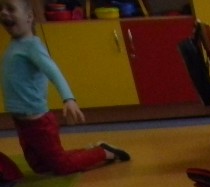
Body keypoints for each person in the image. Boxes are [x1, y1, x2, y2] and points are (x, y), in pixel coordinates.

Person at [1, 0, 130, 175]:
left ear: (29, 17)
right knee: (40, 167)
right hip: (21, 122)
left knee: (62, 166)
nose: (3, 13)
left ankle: (104, 153)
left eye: (10, 9)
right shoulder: (15, 45)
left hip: (38, 122)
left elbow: (54, 72)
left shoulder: (31, 46)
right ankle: (91, 150)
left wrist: (68, 98)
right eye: (1, 9)